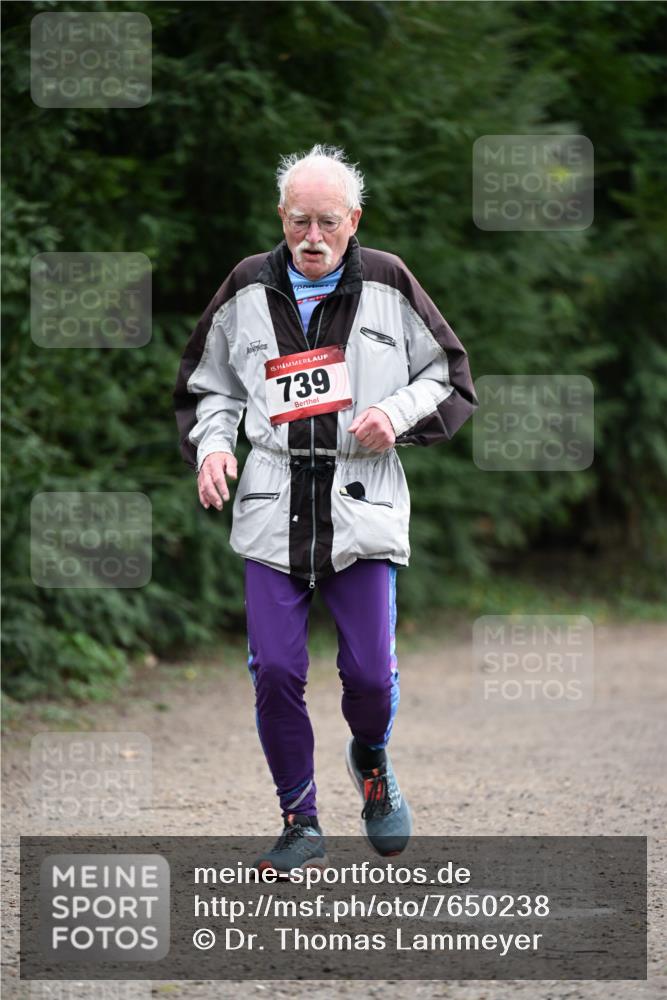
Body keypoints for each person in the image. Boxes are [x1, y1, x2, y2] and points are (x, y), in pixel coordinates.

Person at [173, 145, 477, 874]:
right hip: (273, 503)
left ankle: (369, 757)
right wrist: (212, 447)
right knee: (276, 671)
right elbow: (209, 389)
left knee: (369, 678)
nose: (312, 238)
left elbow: (447, 376)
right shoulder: (246, 286)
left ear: (354, 222)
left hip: (359, 499)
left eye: (328, 224)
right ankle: (298, 820)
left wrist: (395, 415)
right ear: (281, 217)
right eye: (299, 221)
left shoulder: (388, 281)